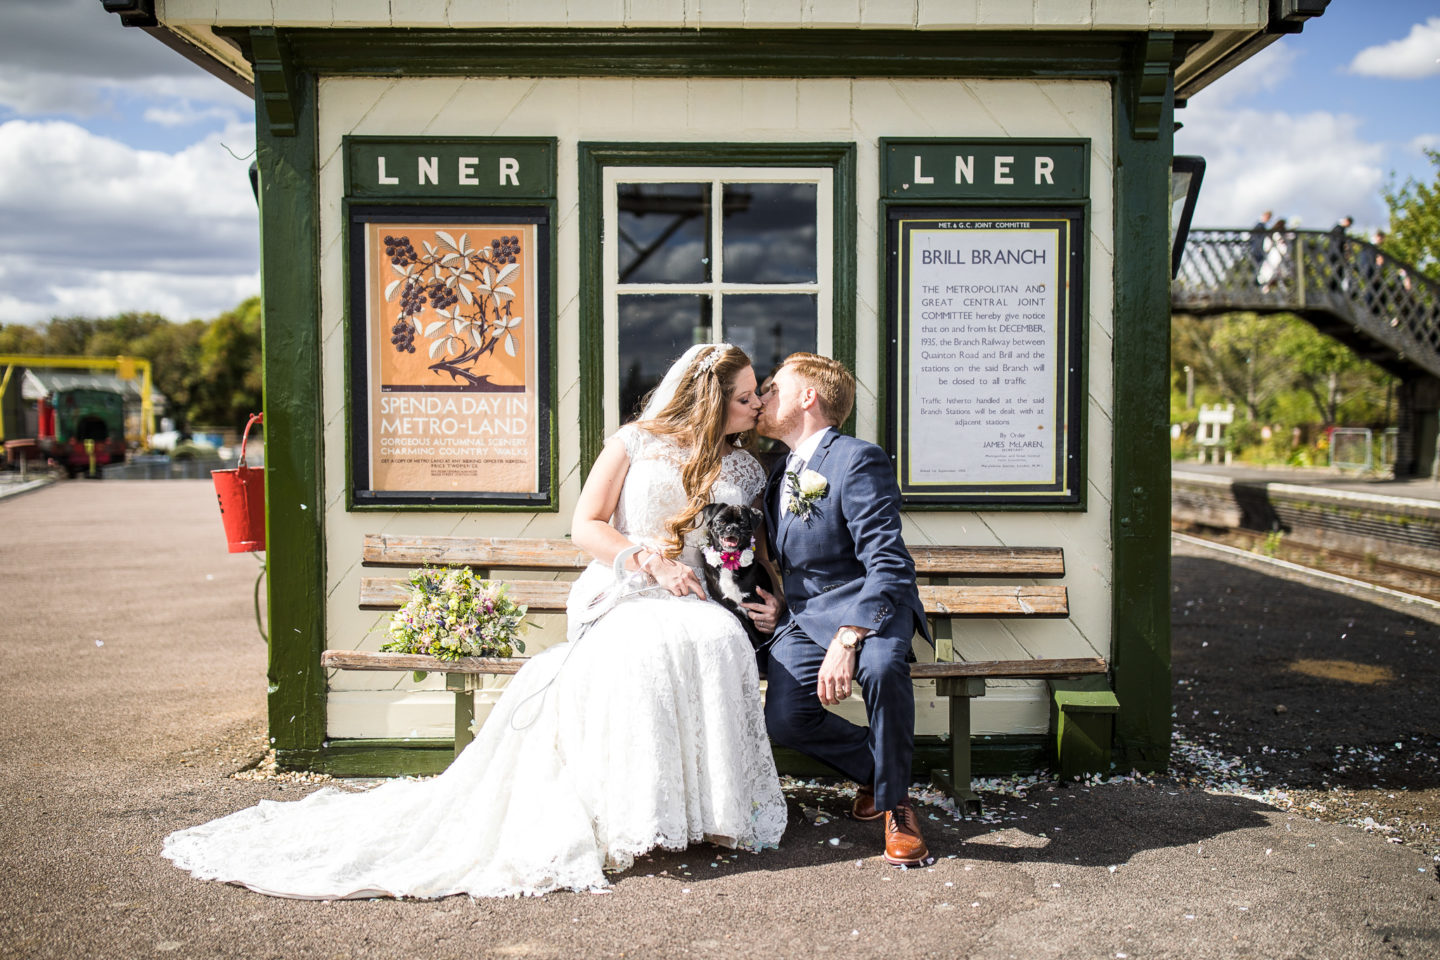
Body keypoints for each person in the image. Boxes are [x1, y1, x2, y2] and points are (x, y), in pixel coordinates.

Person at [162, 343, 788, 899]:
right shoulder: (633, 444)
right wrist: (647, 562)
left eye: (757, 393)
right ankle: (638, 814)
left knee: (714, 636)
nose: (757, 403)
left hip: (691, 594)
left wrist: (770, 598)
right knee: (649, 646)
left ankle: (712, 810)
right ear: (710, 398)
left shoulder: (743, 468)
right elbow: (585, 526)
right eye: (745, 395)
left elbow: (748, 550)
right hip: (625, 583)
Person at [751, 353, 932, 867]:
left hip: (871, 609)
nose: (762, 399)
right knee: (785, 720)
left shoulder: (856, 459)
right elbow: (801, 558)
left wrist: (851, 636)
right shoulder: (779, 470)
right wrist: (782, 601)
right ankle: (882, 775)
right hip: (806, 617)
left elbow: (889, 563)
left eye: (772, 388)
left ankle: (897, 807)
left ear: (807, 397)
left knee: (881, 666)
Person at [1257, 218, 1289, 293]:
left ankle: (1267, 288)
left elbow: (1266, 247)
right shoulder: (1282, 234)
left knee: (1272, 273)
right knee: (1277, 274)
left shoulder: (1272, 234)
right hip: (1278, 256)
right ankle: (1280, 290)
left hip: (1275, 256)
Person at [1248, 210, 1272, 279]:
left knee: (1258, 268)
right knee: (1258, 267)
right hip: (1258, 249)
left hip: (1257, 249)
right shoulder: (1260, 226)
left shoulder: (1260, 225)